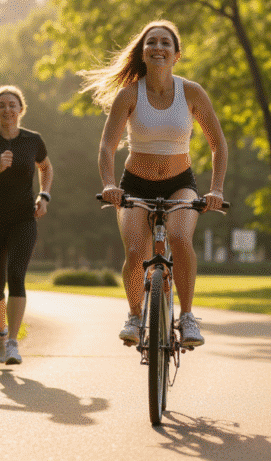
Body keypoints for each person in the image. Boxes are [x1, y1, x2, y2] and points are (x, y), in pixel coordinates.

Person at [82, 20, 227, 348]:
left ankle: (188, 316)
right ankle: (135, 315)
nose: (158, 48)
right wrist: (109, 184)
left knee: (179, 237)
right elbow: (107, 146)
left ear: (176, 54)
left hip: (180, 183)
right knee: (135, 252)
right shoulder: (130, 94)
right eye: (152, 43)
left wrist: (216, 189)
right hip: (135, 186)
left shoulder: (191, 92)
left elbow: (218, 144)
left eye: (166, 43)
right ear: (143, 53)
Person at [0, 85, 53, 365]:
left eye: (12, 105)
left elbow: (46, 167)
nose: (7, 109)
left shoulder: (33, 140)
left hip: (23, 219)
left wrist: (44, 195)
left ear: (21, 110)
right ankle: (1, 332)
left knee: (16, 275)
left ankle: (14, 342)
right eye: (1, 105)